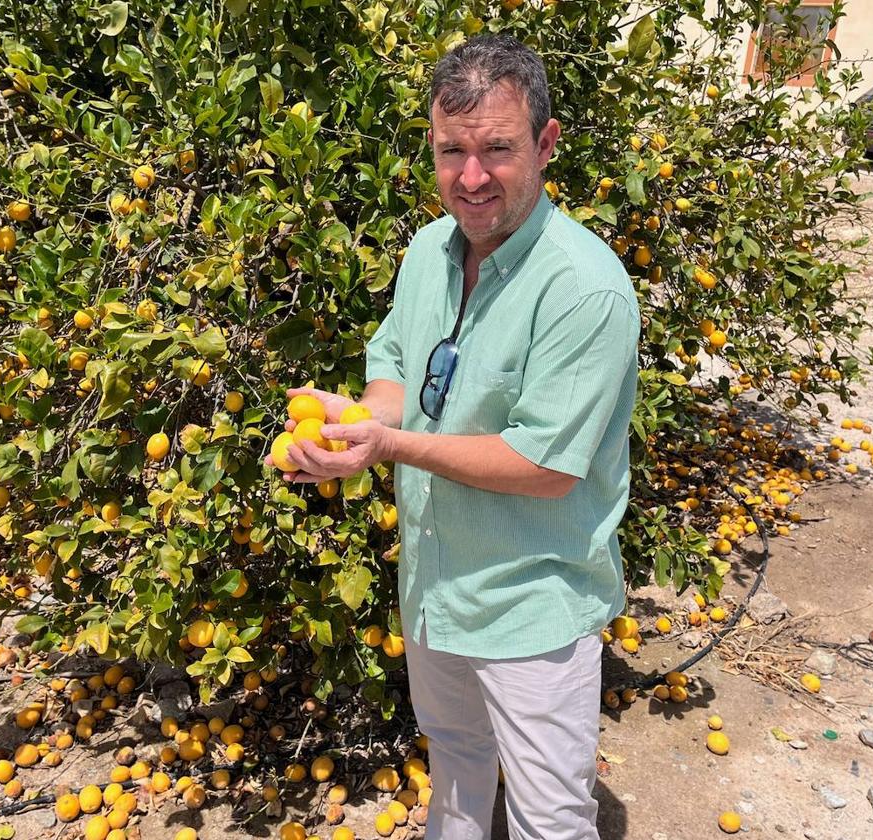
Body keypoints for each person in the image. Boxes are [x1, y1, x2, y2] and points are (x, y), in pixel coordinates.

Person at [269, 33, 639, 840]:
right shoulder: (427, 253)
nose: (470, 178)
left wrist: (387, 448)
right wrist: (357, 424)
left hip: (530, 606)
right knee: (457, 766)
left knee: (549, 817)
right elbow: (397, 372)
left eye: (497, 150)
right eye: (451, 151)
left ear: (544, 144)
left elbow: (544, 467)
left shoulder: (583, 290)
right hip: (437, 587)